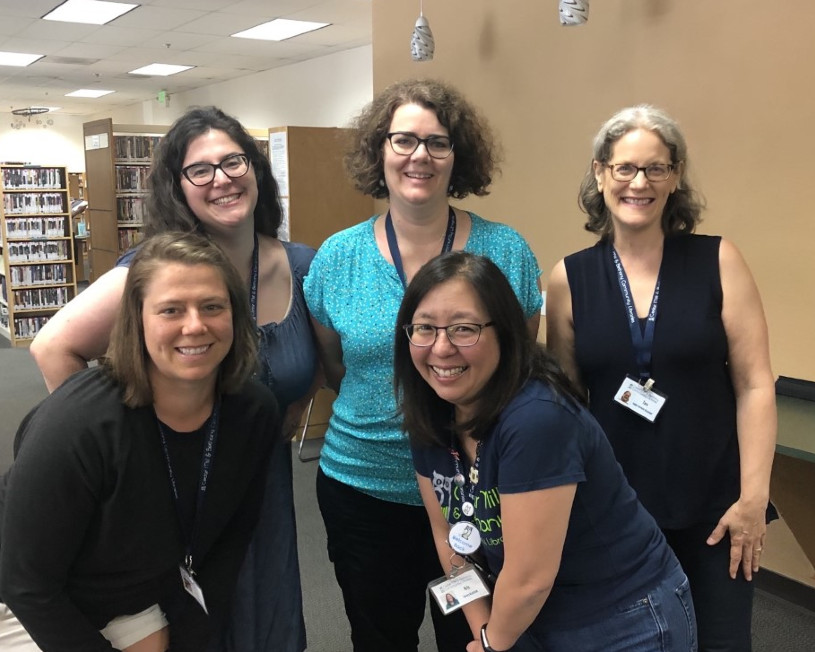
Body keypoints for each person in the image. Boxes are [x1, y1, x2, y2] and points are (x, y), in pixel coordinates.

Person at [29, 106, 314, 652]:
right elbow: (53, 346)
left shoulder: (302, 265)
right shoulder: (152, 270)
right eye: (200, 170)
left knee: (266, 623)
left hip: (263, 489)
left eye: (233, 161)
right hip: (176, 489)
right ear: (178, 187)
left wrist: (298, 402)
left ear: (255, 168)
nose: (222, 179)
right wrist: (111, 451)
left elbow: (317, 355)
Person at [303, 78, 543, 651]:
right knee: (379, 636)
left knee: (474, 636)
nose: (419, 156)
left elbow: (519, 362)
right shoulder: (339, 256)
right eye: (404, 140)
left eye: (437, 143)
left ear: (458, 157)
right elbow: (333, 364)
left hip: (476, 491)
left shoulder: (504, 251)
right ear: (379, 151)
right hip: (364, 490)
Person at [546, 105, 776, 651]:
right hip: (616, 510)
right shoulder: (568, 278)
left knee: (721, 641)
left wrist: (753, 499)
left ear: (675, 178)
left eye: (656, 168)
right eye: (625, 168)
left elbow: (755, 384)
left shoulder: (719, 260)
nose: (639, 182)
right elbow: (567, 400)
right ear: (600, 173)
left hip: (717, 509)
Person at [395, 251, 697, 652]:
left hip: (622, 618)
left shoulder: (537, 417)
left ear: (504, 331)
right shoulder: (431, 412)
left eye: (464, 329)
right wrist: (484, 629)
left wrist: (492, 643)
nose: (441, 348)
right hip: (527, 616)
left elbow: (530, 579)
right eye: (424, 328)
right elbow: (449, 536)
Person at [0, 232, 278, 651]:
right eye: (171, 310)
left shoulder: (253, 412)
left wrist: (193, 634)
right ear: (138, 319)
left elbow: (231, 541)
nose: (195, 325)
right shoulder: (80, 422)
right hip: (21, 596)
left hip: (128, 591)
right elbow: (26, 583)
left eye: (212, 306)